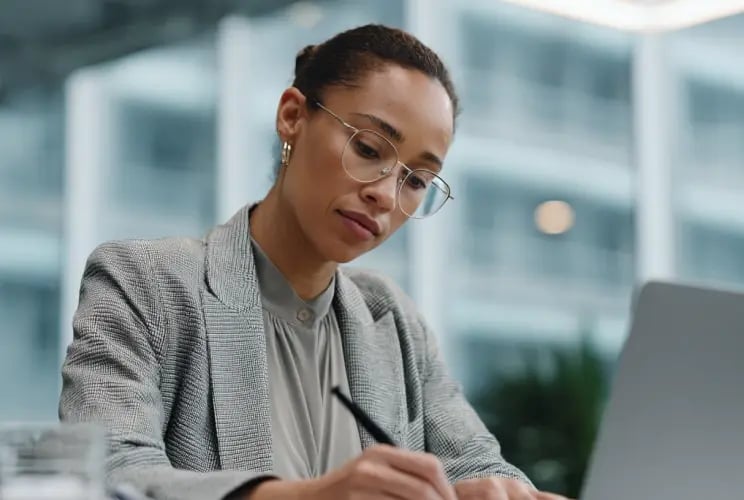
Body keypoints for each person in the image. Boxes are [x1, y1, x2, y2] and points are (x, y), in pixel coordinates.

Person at [59, 24, 570, 500]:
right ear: (293, 116)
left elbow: (475, 461)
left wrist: (497, 488)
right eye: (369, 148)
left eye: (415, 181)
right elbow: (108, 475)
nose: (386, 197)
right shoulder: (144, 282)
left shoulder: (393, 320)